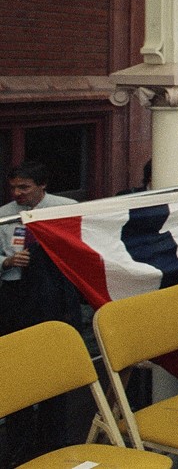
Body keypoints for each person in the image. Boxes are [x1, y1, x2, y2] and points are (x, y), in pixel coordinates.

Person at [0, 161, 79, 464]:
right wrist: (6, 263)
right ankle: (19, 448)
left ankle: (55, 444)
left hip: (56, 297)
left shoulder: (66, 209)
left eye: (24, 187)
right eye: (13, 187)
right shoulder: (4, 216)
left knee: (55, 370)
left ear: (42, 186)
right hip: (15, 300)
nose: (17, 193)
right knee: (19, 371)